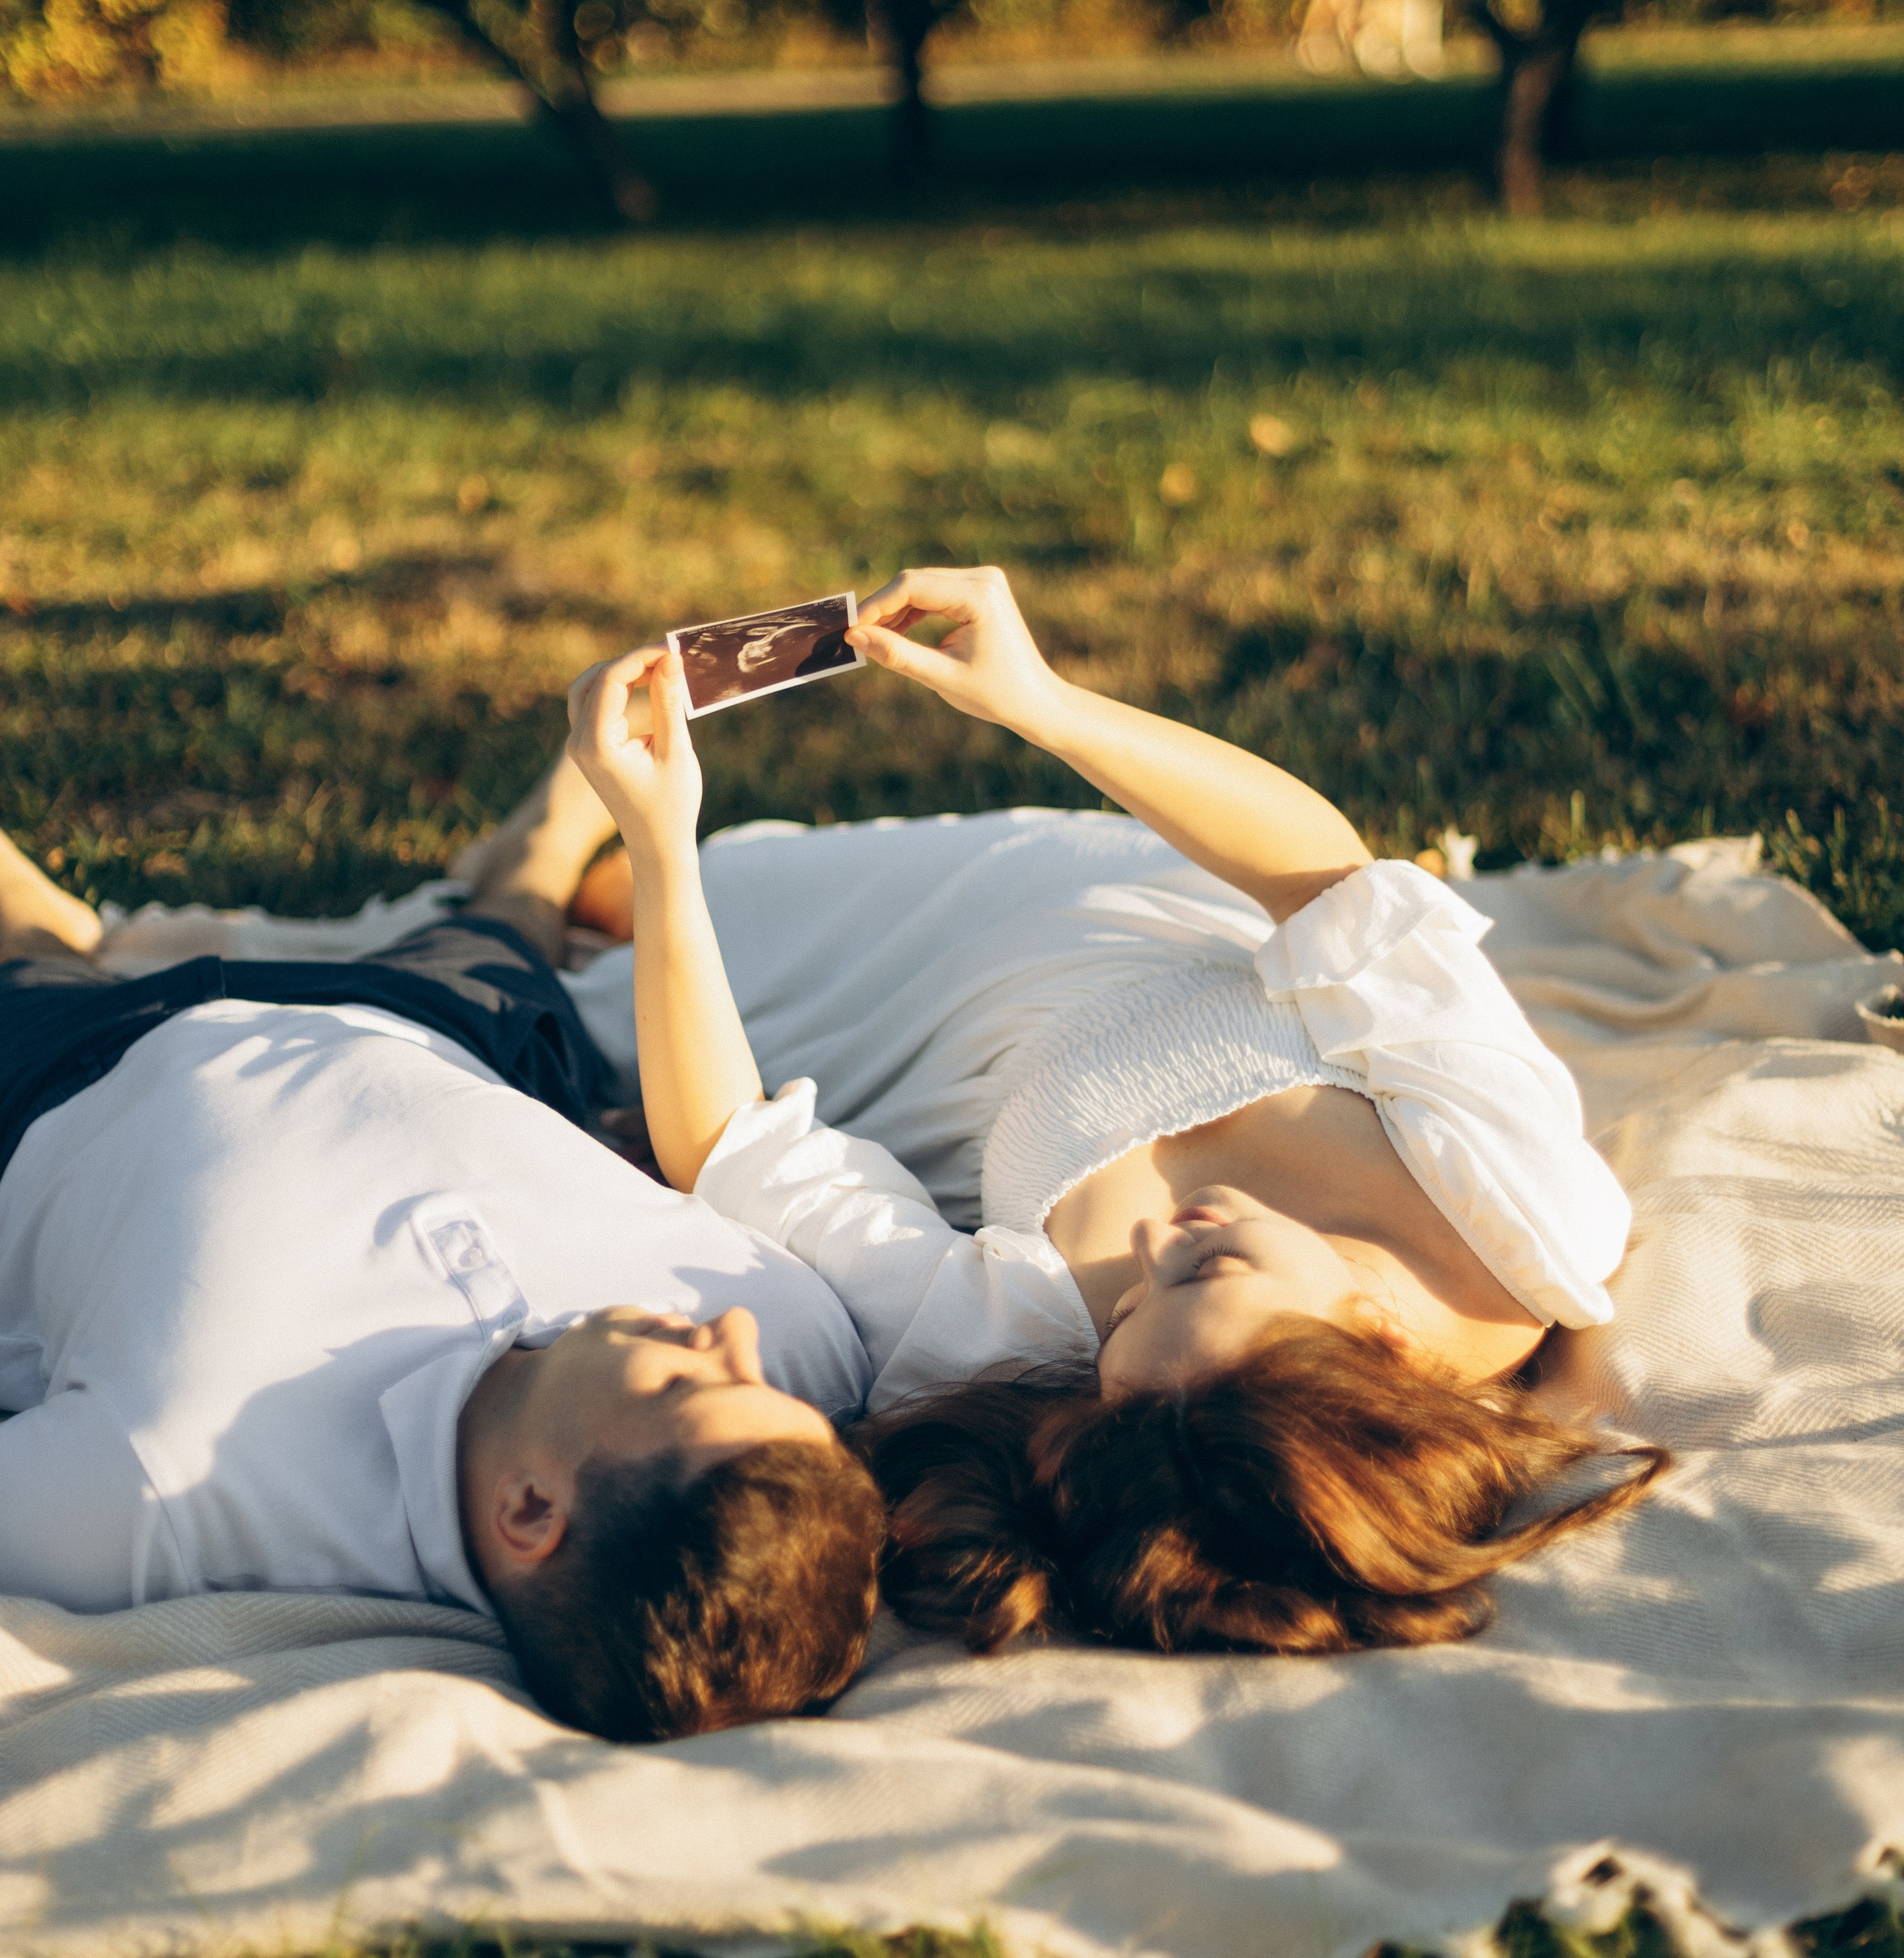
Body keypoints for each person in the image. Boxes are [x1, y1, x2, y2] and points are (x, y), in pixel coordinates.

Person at [562, 567, 1667, 1668]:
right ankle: (554, 850)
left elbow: (732, 1147)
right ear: (1378, 1340)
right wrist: (1039, 702)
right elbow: (1332, 888)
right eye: (1207, 1273)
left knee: (622, 936)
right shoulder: (1520, 1216)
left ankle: (533, 863)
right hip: (1111, 888)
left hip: (885, 1029)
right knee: (697, 877)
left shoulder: (1039, 1344)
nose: (1150, 1248)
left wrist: (663, 851)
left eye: (1134, 1303)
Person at [0, 801, 884, 1745]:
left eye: (686, 1386)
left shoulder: (163, 1489)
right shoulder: (807, 1347)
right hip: (459, 1033)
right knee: (508, 926)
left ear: (531, 1509)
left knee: (22, 934)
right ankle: (539, 852)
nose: (734, 1338)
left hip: (84, 1065)